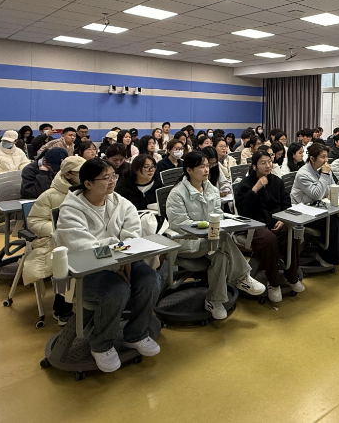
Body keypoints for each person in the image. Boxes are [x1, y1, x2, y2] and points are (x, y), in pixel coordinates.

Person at [54, 158, 162, 372]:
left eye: (114, 176)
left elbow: (133, 231)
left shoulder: (119, 202)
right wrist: (117, 252)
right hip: (85, 271)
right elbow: (84, 248)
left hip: (122, 260)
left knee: (150, 279)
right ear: (88, 183)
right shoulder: (71, 210)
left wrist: (125, 256)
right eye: (106, 178)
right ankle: (101, 344)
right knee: (116, 289)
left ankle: (136, 334)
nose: (112, 181)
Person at [166, 152, 266, 318]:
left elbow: (218, 213)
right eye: (202, 166)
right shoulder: (177, 194)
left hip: (210, 242)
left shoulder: (210, 188)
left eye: (207, 166)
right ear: (189, 170)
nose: (207, 170)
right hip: (187, 242)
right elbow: (180, 225)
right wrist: (208, 228)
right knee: (222, 238)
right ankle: (242, 277)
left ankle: (214, 300)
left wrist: (220, 224)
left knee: (220, 256)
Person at [234, 150, 305, 302]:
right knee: (269, 239)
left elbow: (286, 203)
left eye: (269, 162)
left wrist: (283, 219)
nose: (268, 165)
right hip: (254, 224)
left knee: (292, 232)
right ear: (254, 166)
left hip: (276, 221)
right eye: (263, 163)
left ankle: (291, 276)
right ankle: (274, 283)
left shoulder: (277, 181)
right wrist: (255, 189)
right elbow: (243, 211)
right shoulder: (245, 184)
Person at [25, 155, 85, 325]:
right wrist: (58, 231)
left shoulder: (88, 191)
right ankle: (62, 309)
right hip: (56, 239)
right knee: (65, 262)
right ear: (67, 174)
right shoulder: (50, 195)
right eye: (79, 173)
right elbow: (34, 221)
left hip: (83, 236)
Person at [290, 142, 339, 267]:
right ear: (312, 158)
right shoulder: (303, 174)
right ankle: (325, 257)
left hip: (318, 208)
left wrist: (326, 184)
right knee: (333, 224)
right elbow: (317, 194)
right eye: (322, 157)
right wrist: (325, 175)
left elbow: (333, 188)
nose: (326, 160)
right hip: (304, 212)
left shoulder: (323, 169)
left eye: (326, 157)